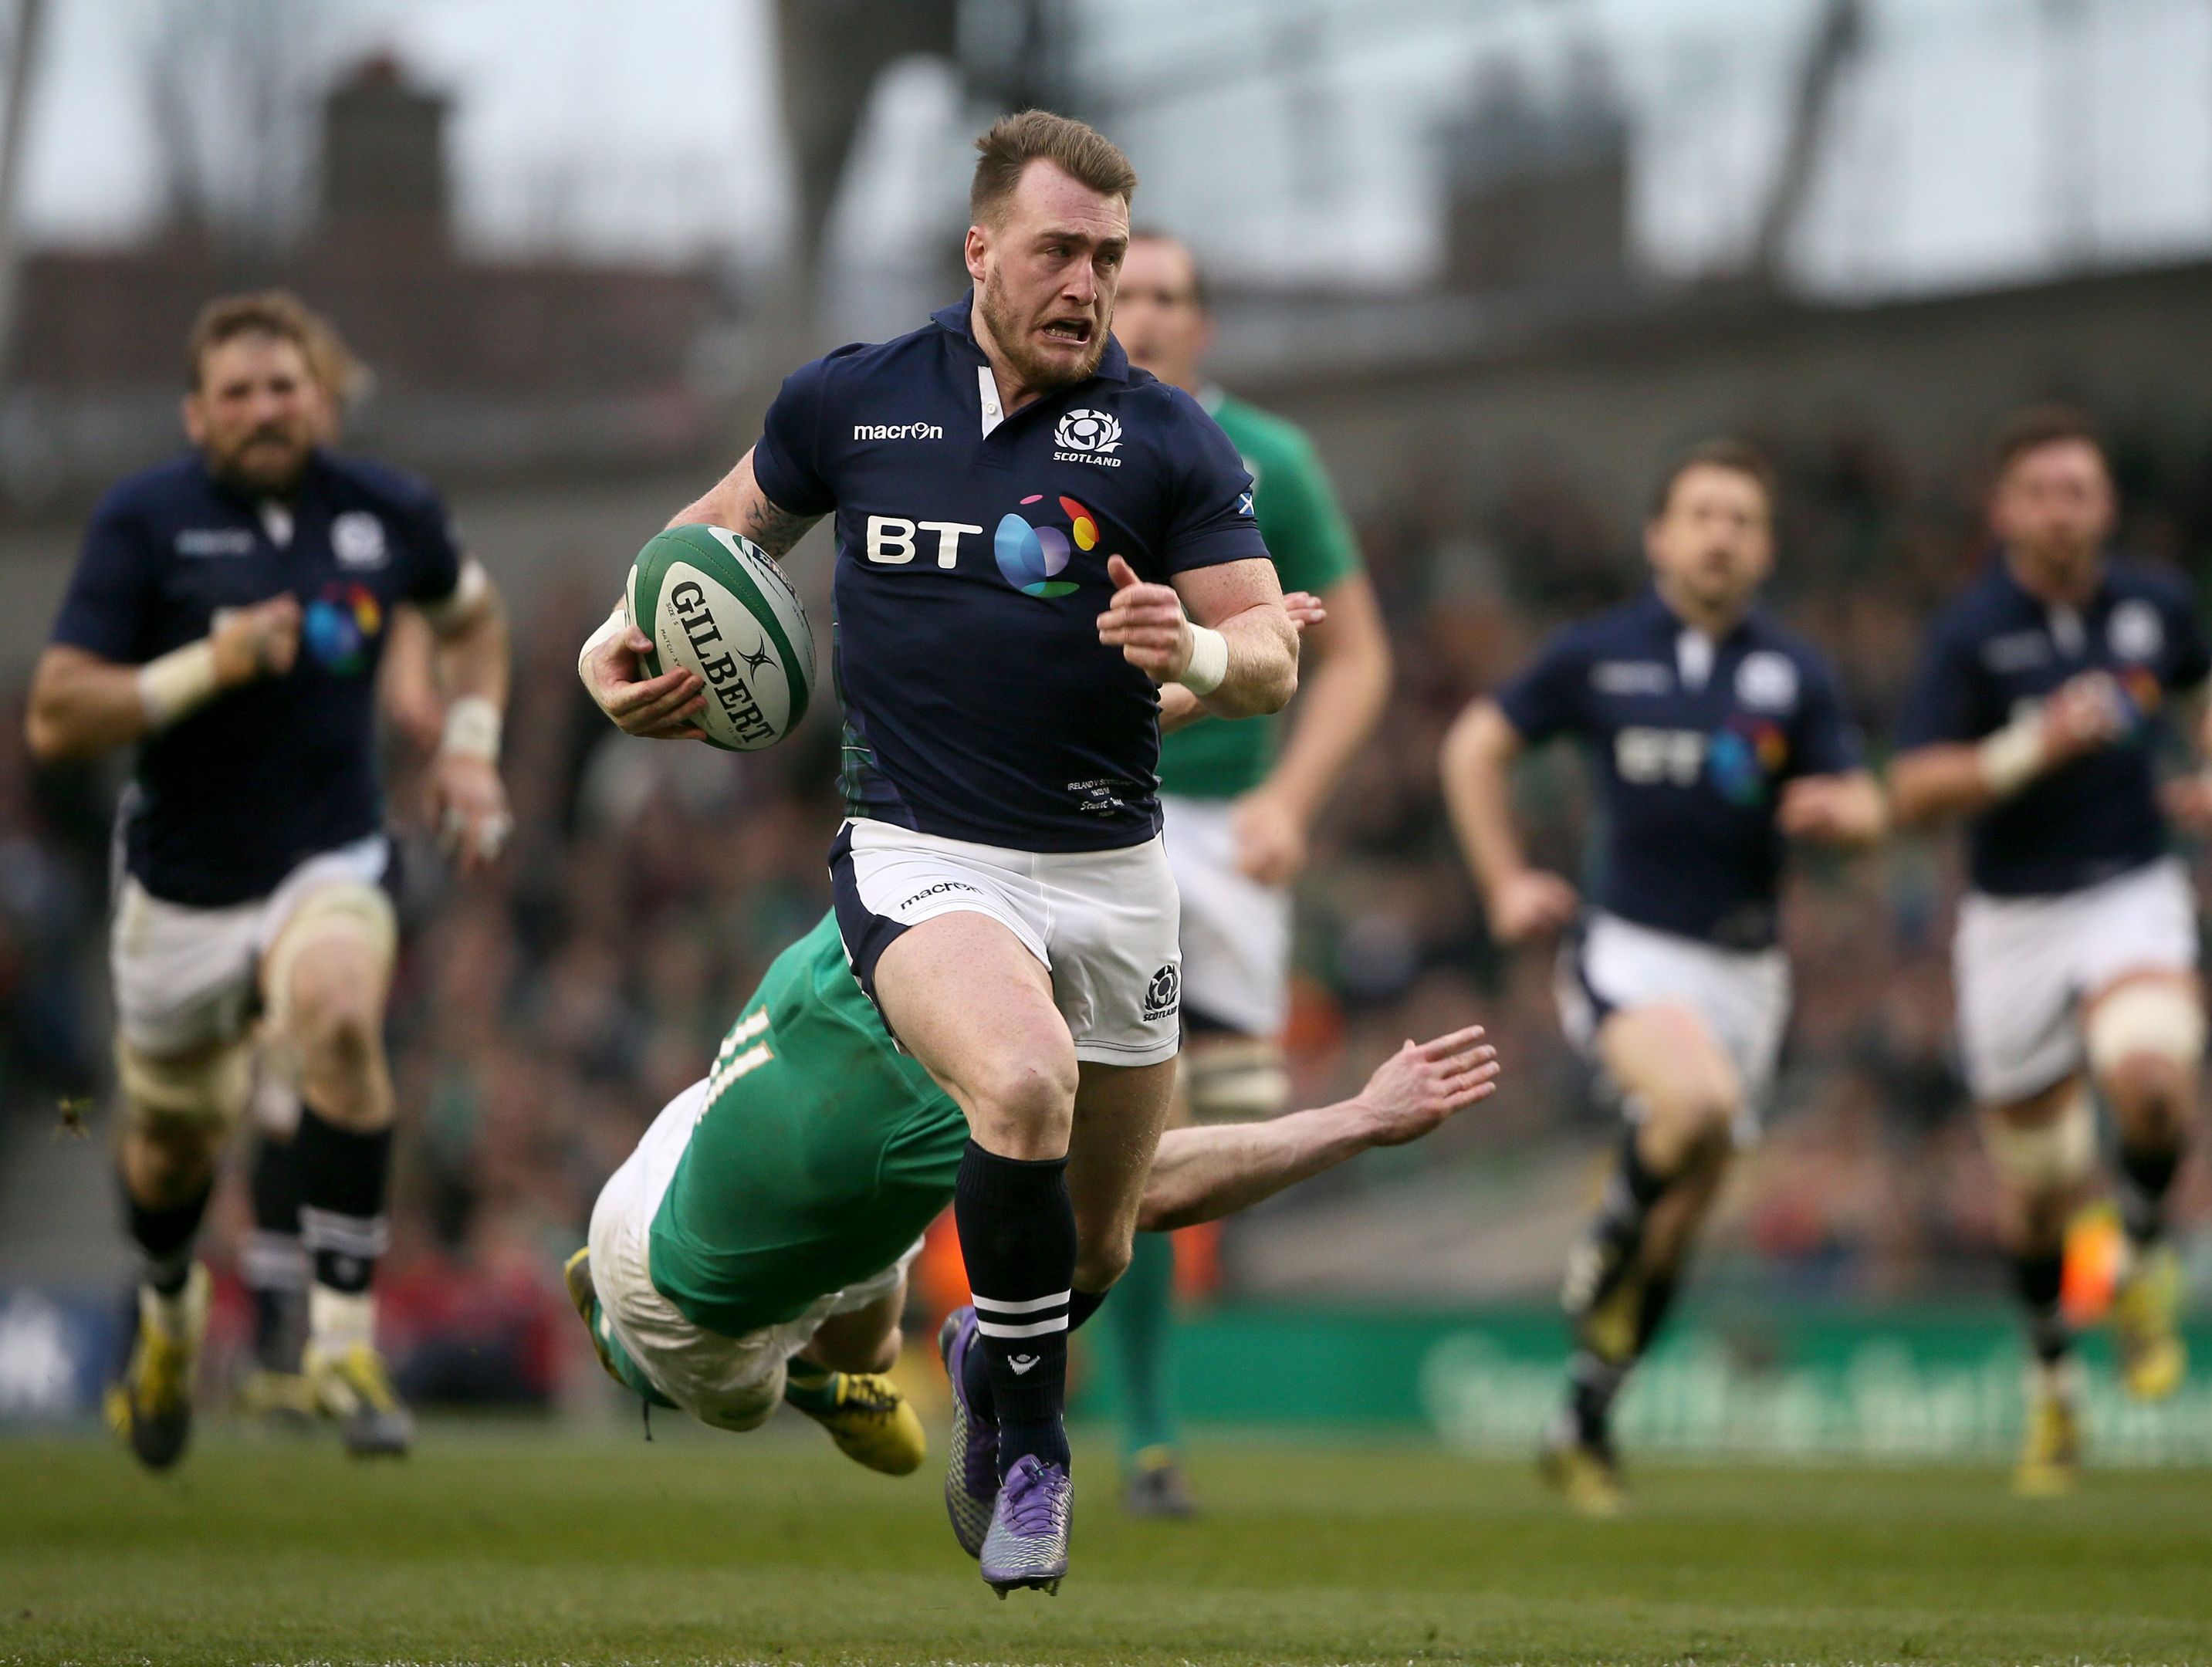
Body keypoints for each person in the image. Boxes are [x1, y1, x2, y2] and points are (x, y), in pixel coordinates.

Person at [578, 110, 1297, 1593]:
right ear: (981, 251)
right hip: (921, 855)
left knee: (1091, 1249)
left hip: (1112, 874)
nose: (1087, 285)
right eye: (1058, 251)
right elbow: (699, 549)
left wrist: (1205, 657)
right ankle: (1029, 1457)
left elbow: (1273, 658)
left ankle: (988, 1349)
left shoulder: (1168, 435)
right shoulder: (852, 402)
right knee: (1019, 1081)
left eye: (1105, 257)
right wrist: (612, 653)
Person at [563, 912, 1498, 1592]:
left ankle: (827, 1360)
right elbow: (1150, 1187)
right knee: (758, 1393)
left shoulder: (874, 911)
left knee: (871, 1346)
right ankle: (739, 1367)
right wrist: (1358, 1119)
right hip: (679, 1310)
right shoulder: (938, 1113)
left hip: (684, 1142)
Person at [25, 289, 512, 1467]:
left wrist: (466, 749)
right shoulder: (145, 523)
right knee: (171, 1149)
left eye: (282, 387)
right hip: (182, 893)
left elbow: (476, 618)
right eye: (236, 394)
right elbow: (55, 715)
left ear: (318, 396)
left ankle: (341, 1345)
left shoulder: (385, 510)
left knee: (341, 1014)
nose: (263, 409)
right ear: (197, 416)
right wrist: (212, 662)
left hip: (327, 856)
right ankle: (166, 1310)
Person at [1440, 441, 1884, 1515]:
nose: (1721, 534)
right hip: (1626, 949)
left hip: (1747, 972)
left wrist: (1847, 818)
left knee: (1681, 1221)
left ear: (1764, 547)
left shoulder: (1794, 672)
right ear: (1659, 537)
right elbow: (1473, 747)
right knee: (1693, 1105)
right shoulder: (1599, 654)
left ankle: (1582, 1419)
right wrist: (1504, 882)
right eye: (1702, 514)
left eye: (1741, 518)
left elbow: (1866, 805)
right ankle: (1600, 1240)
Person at [1097, 228, 1392, 1516]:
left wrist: (1288, 797)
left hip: (1226, 836)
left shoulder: (1270, 462)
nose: (1144, 317)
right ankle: (1148, 1437)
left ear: (1202, 323)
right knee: (1133, 1131)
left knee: (1216, 1120)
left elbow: (1361, 658)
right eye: (1123, 294)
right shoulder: (1052, 450)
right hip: (1090, 812)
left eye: (1167, 297)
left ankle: (1027, 1326)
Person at [1889, 406, 2210, 1496]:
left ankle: (2145, 1255)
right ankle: (2053, 1391)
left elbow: (2202, 691)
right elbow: (1914, 786)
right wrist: (2031, 746)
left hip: (2129, 891)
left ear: (2105, 504)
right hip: (2011, 921)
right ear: (2004, 510)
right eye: (2039, 491)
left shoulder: (2157, 605)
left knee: (2152, 1078)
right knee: (2035, 1194)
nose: (2060, 509)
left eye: (2078, 489)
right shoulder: (1969, 633)